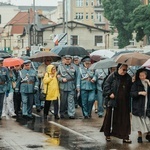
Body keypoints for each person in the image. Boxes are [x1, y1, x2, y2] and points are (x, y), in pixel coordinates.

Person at [100, 64, 132, 143]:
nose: (124, 72)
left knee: (124, 119)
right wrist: (109, 93)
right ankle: (108, 134)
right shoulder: (112, 76)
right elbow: (105, 86)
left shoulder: (128, 78)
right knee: (110, 117)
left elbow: (130, 89)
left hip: (124, 102)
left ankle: (125, 136)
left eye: (126, 70)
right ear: (119, 68)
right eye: (123, 70)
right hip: (113, 101)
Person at [130, 68, 150, 143]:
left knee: (148, 121)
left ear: (146, 75)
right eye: (140, 75)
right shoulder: (136, 83)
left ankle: (148, 134)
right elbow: (132, 93)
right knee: (138, 123)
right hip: (138, 105)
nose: (141, 77)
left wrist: (148, 83)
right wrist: (139, 93)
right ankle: (139, 136)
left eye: (143, 75)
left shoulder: (148, 82)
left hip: (147, 105)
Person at [57, 55, 77, 119]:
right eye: (66, 59)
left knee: (71, 100)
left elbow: (77, 77)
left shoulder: (74, 66)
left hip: (71, 85)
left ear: (71, 60)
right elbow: (57, 75)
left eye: (69, 59)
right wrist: (61, 79)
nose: (67, 60)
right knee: (63, 101)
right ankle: (62, 112)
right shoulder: (60, 67)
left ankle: (71, 114)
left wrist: (77, 86)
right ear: (64, 60)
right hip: (63, 86)